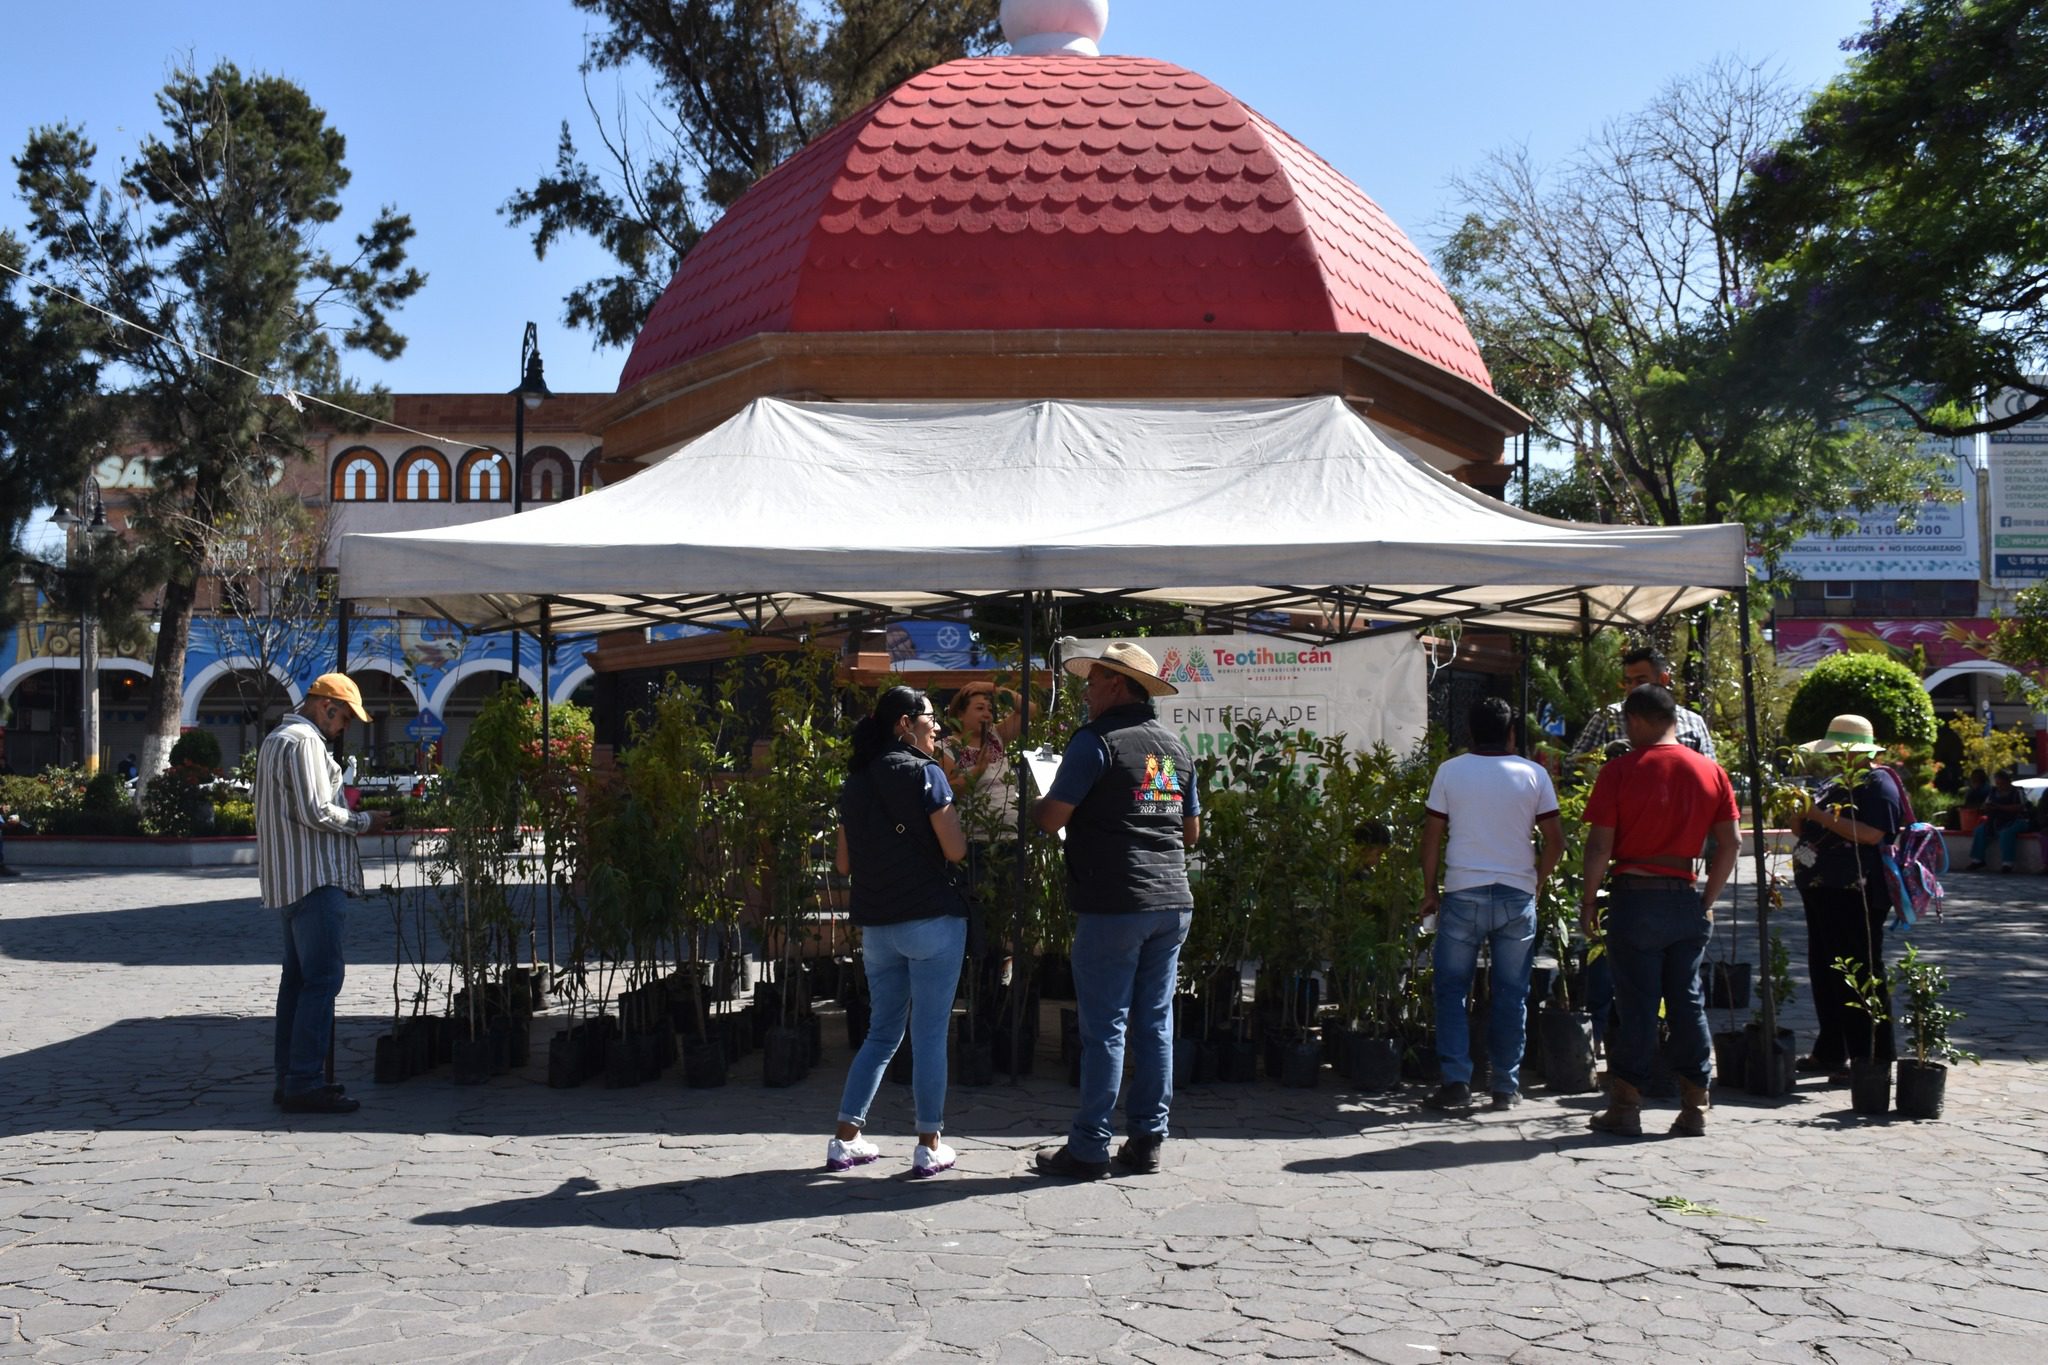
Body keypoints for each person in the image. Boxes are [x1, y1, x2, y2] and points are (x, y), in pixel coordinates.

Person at [1031, 641, 1199, 1180]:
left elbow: (1052, 818)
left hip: (1114, 900)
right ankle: (1147, 1140)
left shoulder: (1094, 741)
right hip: (1171, 899)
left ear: (1117, 685)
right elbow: (1190, 831)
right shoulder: (1174, 748)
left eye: (1093, 679)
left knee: (1105, 1027)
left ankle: (1088, 1147)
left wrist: (1037, 799)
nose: (1085, 689)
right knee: (1155, 1023)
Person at [1579, 684, 1739, 1138]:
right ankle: (1695, 1105)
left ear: (1637, 720)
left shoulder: (1619, 771)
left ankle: (1627, 1104)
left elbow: (1599, 844)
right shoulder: (1711, 772)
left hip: (1634, 896)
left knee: (1636, 1004)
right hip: (1685, 896)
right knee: (1688, 1001)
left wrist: (1589, 901)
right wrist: (1707, 900)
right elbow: (1731, 843)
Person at [827, 685, 969, 1179]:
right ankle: (929, 1144)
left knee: (882, 1031)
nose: (938, 726)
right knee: (929, 1034)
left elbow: (845, 862)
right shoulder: (927, 773)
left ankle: (846, 1138)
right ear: (904, 723)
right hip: (931, 919)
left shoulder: (856, 780)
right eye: (930, 718)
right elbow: (954, 850)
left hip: (878, 928)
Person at [1418, 698, 1563, 1113]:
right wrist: (1536, 880)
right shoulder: (1533, 774)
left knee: (1450, 989)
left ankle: (1457, 1082)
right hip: (1516, 896)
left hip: (1463, 891)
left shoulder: (1450, 771)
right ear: (1511, 732)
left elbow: (1432, 838)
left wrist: (1430, 890)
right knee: (1511, 993)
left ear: (1470, 732)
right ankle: (1505, 1086)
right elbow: (1556, 841)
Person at [253, 673, 389, 1115]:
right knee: (323, 981)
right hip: (314, 879)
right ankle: (305, 1081)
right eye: (345, 717)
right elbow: (315, 810)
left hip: (289, 879)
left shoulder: (276, 739)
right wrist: (366, 822)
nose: (345, 726)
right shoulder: (305, 741)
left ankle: (289, 1078)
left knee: (297, 982)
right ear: (326, 706)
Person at [1790, 714, 1903, 1083]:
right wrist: (1798, 810)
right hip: (1822, 889)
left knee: (1862, 971)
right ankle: (1831, 1050)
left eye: (1841, 752)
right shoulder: (1831, 784)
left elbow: (1872, 834)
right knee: (1825, 970)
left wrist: (1819, 815)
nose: (1835, 758)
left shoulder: (1878, 783)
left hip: (1856, 891)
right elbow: (1805, 827)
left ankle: (1871, 1055)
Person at [1570, 646, 1716, 761]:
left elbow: (1710, 770)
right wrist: (1604, 752)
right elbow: (1570, 765)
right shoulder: (1607, 717)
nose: (1632, 687)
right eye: (1628, 681)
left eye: (1641, 681)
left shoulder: (1693, 721)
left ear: (1663, 679)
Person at [1965, 770, 2026, 873]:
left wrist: (2000, 807)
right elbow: (1985, 805)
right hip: (1996, 819)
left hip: (2017, 820)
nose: (2000, 786)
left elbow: (2021, 807)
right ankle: (1977, 860)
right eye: (1997, 783)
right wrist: (1987, 807)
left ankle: (2007, 863)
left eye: (2002, 783)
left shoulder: (2017, 791)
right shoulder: (1993, 792)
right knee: (1980, 831)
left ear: (2008, 781)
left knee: (2006, 833)